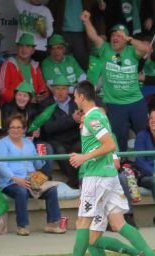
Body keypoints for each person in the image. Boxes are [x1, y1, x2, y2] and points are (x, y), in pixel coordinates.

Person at [70, 81, 155, 256]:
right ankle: (146, 253)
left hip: (96, 176)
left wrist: (83, 157)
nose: (74, 100)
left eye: (75, 96)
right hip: (110, 176)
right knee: (117, 224)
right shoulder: (99, 117)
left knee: (83, 223)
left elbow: (109, 145)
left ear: (82, 97)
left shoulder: (93, 118)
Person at [81, 11, 152, 152]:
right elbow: (93, 36)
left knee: (145, 134)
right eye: (113, 35)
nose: (115, 37)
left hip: (136, 102)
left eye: (119, 35)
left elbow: (147, 48)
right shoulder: (106, 49)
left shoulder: (132, 51)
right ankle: (122, 167)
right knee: (118, 138)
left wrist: (130, 39)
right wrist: (86, 21)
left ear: (125, 39)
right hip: (115, 104)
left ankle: (147, 167)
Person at [0, 114, 65, 236]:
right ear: (8, 129)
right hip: (11, 182)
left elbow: (37, 165)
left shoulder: (28, 143)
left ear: (23, 129)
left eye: (19, 127)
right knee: (21, 191)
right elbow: (1, 166)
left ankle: (52, 224)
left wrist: (40, 157)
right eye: (12, 127)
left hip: (31, 180)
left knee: (52, 190)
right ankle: (22, 226)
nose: (16, 130)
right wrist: (16, 179)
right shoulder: (2, 143)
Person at [39, 76, 81, 187]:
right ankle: (74, 180)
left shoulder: (76, 102)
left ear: (68, 90)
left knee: (80, 147)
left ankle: (75, 180)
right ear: (53, 90)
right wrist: (72, 120)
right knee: (61, 150)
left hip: (74, 139)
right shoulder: (46, 104)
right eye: (57, 89)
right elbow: (49, 128)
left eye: (63, 89)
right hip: (56, 140)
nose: (60, 92)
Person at [0, 33, 48, 105]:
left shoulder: (35, 66)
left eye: (28, 46)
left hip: (33, 105)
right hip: (13, 105)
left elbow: (43, 88)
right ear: (17, 48)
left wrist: (39, 97)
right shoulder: (8, 64)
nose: (24, 49)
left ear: (33, 50)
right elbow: (2, 90)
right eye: (21, 46)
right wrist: (23, 100)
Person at [127, 109, 155, 221]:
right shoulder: (142, 136)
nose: (153, 121)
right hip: (148, 175)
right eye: (151, 118)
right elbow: (140, 160)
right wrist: (153, 172)